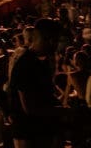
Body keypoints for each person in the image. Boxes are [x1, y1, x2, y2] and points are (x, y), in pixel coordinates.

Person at [8, 18, 64, 148]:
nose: (56, 46)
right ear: (49, 40)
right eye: (56, 41)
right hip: (28, 134)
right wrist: (62, 111)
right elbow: (30, 108)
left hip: (40, 131)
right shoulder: (25, 64)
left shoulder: (41, 62)